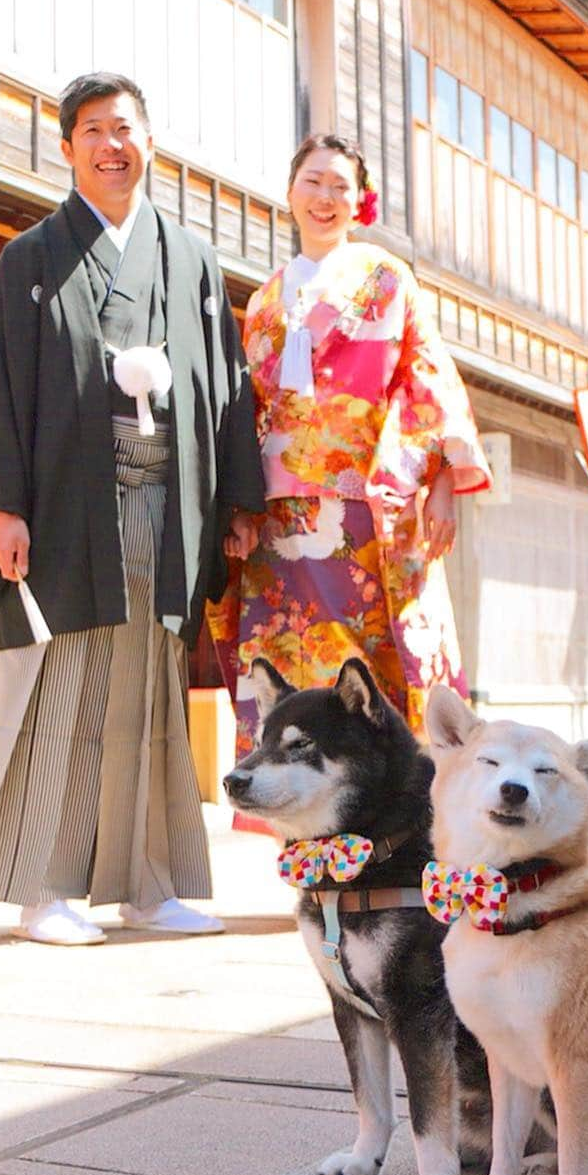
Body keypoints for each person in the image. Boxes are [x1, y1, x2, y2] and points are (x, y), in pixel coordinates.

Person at [0, 72, 264, 944]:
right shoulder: (32, 257)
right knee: (61, 685)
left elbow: (226, 384)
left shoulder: (190, 259)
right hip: (66, 502)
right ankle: (45, 889)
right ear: (68, 147)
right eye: (92, 130)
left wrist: (235, 495)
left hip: (165, 503)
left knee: (149, 693)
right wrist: (3, 507)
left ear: (148, 141)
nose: (111, 145)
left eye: (124, 129)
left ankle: (148, 885)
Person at [209, 133, 491, 758]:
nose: (326, 197)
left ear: (361, 200)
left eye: (341, 185)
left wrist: (442, 482)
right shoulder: (261, 302)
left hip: (368, 512)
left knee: (368, 674)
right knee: (284, 671)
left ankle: (389, 816)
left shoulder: (387, 279)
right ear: (289, 193)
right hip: (277, 518)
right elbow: (246, 410)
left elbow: (426, 378)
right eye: (313, 181)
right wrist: (238, 505)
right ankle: (305, 827)